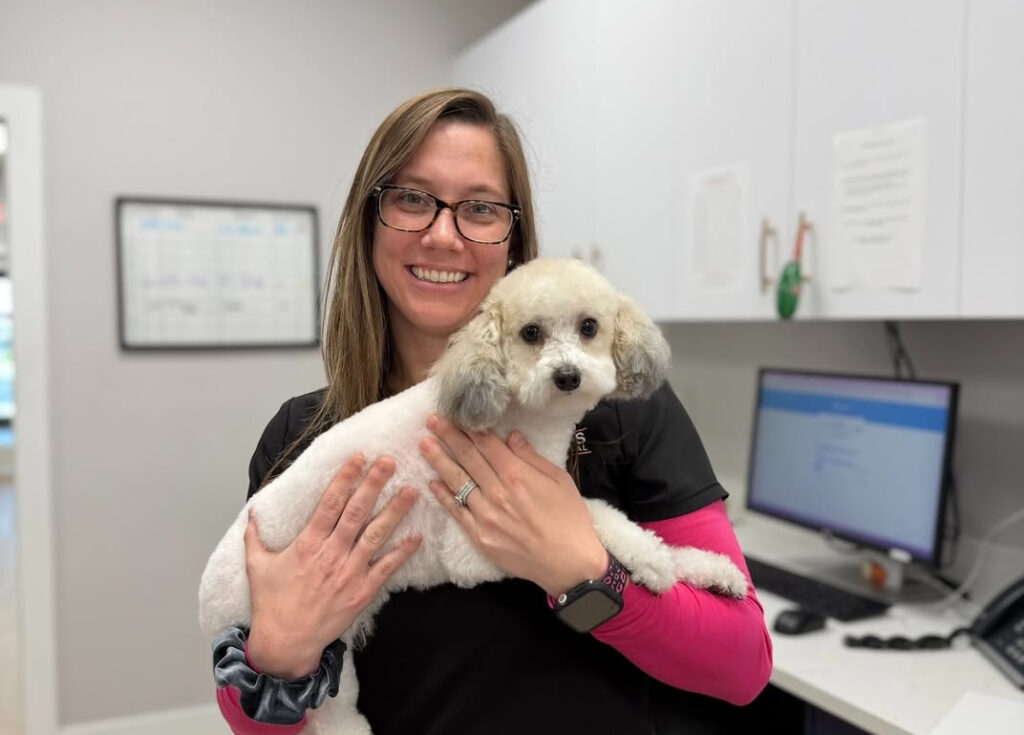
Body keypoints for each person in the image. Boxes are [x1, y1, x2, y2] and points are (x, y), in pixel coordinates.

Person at [212, 88, 773, 735]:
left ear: (513, 236)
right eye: (413, 199)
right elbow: (257, 724)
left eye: (479, 208)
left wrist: (583, 573)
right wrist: (279, 654)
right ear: (370, 220)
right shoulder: (303, 438)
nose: (443, 234)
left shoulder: (614, 408)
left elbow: (742, 663)